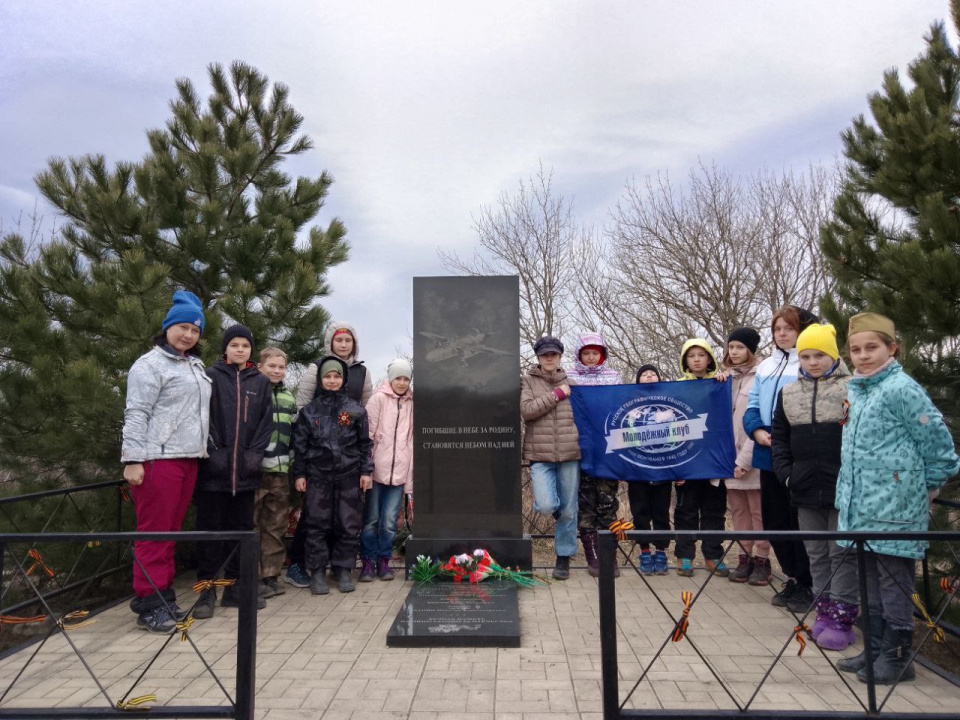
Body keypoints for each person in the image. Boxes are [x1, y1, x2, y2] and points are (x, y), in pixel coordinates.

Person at [835, 313, 959, 684]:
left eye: (872, 347)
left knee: (893, 579)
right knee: (869, 574)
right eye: (855, 349)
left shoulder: (902, 389)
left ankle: (898, 654)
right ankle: (874, 648)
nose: (863, 356)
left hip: (895, 505)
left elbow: (939, 446)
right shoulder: (856, 390)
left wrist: (924, 487)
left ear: (892, 348)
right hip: (859, 503)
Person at [122, 291, 211, 633]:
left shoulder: (193, 365)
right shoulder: (149, 365)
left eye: (195, 330)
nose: (188, 335)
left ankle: (164, 596)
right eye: (183, 327)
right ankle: (150, 603)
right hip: (157, 458)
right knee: (154, 533)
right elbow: (137, 412)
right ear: (168, 328)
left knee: (169, 533)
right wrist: (133, 459)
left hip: (188, 458)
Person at [771, 324, 857, 651]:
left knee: (841, 553)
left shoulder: (853, 388)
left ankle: (842, 619)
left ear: (833, 354)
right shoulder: (789, 393)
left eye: (819, 355)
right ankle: (823, 612)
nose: (812, 362)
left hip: (842, 488)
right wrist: (787, 474)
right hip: (804, 489)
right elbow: (779, 438)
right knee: (817, 554)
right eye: (805, 356)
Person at [194, 325, 273, 619]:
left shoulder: (260, 382)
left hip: (246, 475)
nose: (240, 349)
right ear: (225, 348)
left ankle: (235, 589)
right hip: (214, 473)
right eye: (234, 345)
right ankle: (206, 590)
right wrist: (214, 452)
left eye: (245, 345)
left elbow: (265, 422)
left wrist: (255, 455)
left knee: (241, 532)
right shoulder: (210, 377)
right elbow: (204, 419)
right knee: (210, 532)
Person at [743, 305, 817, 612]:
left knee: (799, 521)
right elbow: (753, 406)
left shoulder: (810, 361)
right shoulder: (766, 366)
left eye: (788, 328)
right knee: (775, 521)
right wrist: (757, 431)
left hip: (798, 453)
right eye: (777, 329)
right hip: (767, 450)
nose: (782, 334)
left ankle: (809, 581)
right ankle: (793, 576)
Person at [287, 321, 372, 587]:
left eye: (337, 376)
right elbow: (300, 444)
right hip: (318, 475)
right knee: (317, 524)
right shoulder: (310, 411)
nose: (332, 380)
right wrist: (299, 472)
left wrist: (366, 471)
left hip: (348, 474)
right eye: (328, 376)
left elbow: (364, 443)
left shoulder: (356, 410)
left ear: (344, 379)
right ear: (321, 379)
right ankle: (317, 572)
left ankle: (344, 569)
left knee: (347, 523)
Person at [521, 336, 580, 580]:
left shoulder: (574, 382)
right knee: (547, 505)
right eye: (544, 354)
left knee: (569, 511)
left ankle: (563, 558)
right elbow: (527, 411)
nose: (549, 358)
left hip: (569, 454)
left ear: (559, 357)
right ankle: (563, 516)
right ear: (538, 357)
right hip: (539, 455)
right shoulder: (527, 380)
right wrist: (556, 394)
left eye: (553, 354)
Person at [566, 332, 622, 577]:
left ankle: (610, 555)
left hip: (608, 449)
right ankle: (593, 557)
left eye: (595, 353)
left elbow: (622, 407)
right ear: (579, 355)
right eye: (586, 353)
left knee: (608, 504)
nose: (590, 358)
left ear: (602, 355)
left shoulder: (614, 377)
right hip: (581, 447)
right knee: (586, 504)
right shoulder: (569, 377)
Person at [718, 328, 771, 586]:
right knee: (738, 511)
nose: (734, 352)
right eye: (731, 347)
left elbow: (759, 421)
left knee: (758, 511)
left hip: (753, 457)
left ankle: (762, 559)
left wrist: (745, 460)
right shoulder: (726, 378)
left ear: (751, 349)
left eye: (740, 347)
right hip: (728, 459)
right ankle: (744, 556)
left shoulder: (763, 375)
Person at [673, 340, 728, 577]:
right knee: (686, 510)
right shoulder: (675, 388)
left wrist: (724, 381)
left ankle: (713, 554)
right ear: (685, 360)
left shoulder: (721, 383)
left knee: (714, 510)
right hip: (687, 460)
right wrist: (676, 467)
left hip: (715, 460)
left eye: (701, 355)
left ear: (709, 359)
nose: (696, 360)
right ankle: (684, 556)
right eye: (691, 356)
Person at [359, 358, 413, 583]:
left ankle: (384, 561)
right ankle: (368, 562)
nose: (401, 383)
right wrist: (366, 469)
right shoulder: (378, 399)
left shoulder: (412, 402)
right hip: (376, 471)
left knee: (390, 521)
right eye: (398, 378)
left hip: (399, 473)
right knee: (371, 520)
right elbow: (367, 435)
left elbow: (412, 440)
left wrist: (409, 479)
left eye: (406, 379)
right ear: (390, 379)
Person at [255, 347, 296, 598]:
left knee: (275, 525)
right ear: (260, 366)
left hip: (281, 470)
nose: (277, 371)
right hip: (255, 471)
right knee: (253, 525)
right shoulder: (254, 392)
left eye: (281, 367)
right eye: (272, 366)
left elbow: (293, 434)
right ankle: (252, 575)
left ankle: (270, 574)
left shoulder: (289, 398)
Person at [626, 364, 672, 576]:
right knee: (640, 512)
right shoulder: (630, 405)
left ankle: (661, 552)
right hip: (637, 471)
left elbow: (679, 436)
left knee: (661, 513)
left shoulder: (669, 404)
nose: (649, 376)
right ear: (637, 380)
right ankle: (644, 551)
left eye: (653, 373)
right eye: (644, 374)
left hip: (663, 469)